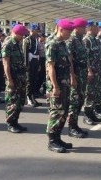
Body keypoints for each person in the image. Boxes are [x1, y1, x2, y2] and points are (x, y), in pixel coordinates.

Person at [45, 19, 76, 153]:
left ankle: (58, 138)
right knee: (56, 112)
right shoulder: (52, 44)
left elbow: (68, 63)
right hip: (56, 84)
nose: (70, 34)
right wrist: (55, 87)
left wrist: (71, 77)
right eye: (68, 31)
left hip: (65, 83)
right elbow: (50, 67)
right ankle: (52, 141)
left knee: (63, 111)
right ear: (61, 30)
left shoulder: (63, 44)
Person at [2, 24, 30, 133]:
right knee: (12, 101)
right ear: (15, 33)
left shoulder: (18, 43)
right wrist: (9, 80)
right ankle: (10, 123)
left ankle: (15, 121)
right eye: (21, 35)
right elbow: (6, 64)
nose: (23, 37)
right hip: (13, 77)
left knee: (20, 101)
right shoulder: (8, 44)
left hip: (20, 77)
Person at [66, 18, 89, 138]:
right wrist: (72, 76)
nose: (85, 30)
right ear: (78, 28)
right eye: (84, 27)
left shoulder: (80, 40)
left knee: (80, 100)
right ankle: (71, 127)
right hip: (75, 75)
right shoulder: (72, 40)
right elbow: (69, 60)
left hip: (82, 74)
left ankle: (75, 125)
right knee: (74, 101)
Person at [82, 20, 101, 125]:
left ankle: (92, 113)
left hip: (97, 70)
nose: (98, 29)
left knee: (95, 92)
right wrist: (89, 70)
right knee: (89, 93)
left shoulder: (96, 40)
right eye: (96, 27)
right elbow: (86, 58)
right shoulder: (87, 40)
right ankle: (86, 115)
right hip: (91, 71)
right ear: (90, 28)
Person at [23, 24, 41, 107]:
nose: (37, 32)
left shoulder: (36, 40)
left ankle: (32, 97)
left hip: (35, 62)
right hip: (30, 62)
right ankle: (28, 98)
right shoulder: (27, 40)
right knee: (29, 81)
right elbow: (25, 53)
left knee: (34, 80)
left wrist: (39, 64)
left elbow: (38, 53)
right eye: (36, 30)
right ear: (32, 30)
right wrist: (26, 65)